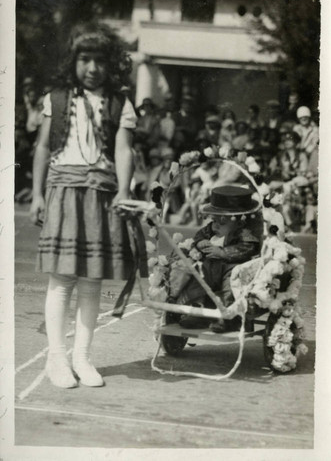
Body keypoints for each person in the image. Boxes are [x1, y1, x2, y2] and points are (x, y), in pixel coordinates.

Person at [29, 22, 147, 389]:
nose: (93, 67)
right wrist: (36, 194)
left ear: (111, 64)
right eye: (85, 59)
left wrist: (124, 190)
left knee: (92, 280)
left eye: (99, 60)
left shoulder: (119, 102)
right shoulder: (58, 97)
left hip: (102, 194)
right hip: (64, 191)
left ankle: (82, 357)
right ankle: (57, 357)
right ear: (73, 61)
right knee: (62, 278)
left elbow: (123, 148)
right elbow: (44, 148)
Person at [170, 185, 263, 332]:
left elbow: (248, 247)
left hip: (232, 267)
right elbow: (200, 235)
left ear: (238, 222)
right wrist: (200, 243)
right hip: (211, 267)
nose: (216, 226)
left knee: (231, 285)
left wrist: (223, 252)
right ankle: (196, 311)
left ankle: (227, 318)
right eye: (214, 221)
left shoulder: (244, 233)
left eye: (222, 223)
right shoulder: (212, 228)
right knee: (198, 277)